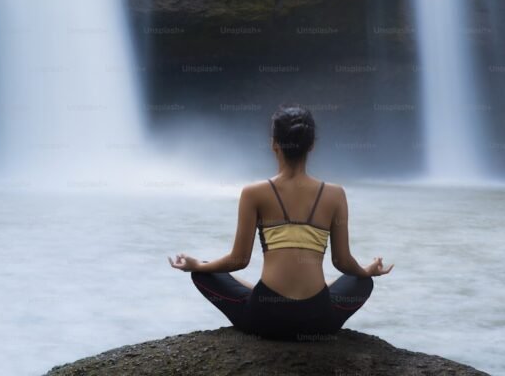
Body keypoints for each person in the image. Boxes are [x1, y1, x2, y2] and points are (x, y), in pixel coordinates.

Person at [168, 104, 393, 340]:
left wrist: (198, 265)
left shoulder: (253, 193)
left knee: (203, 273)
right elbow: (343, 262)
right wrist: (366, 271)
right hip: (318, 320)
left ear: (274, 144)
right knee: (362, 281)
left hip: (265, 318)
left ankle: (254, 292)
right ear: (312, 145)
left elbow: (239, 260)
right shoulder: (335, 195)